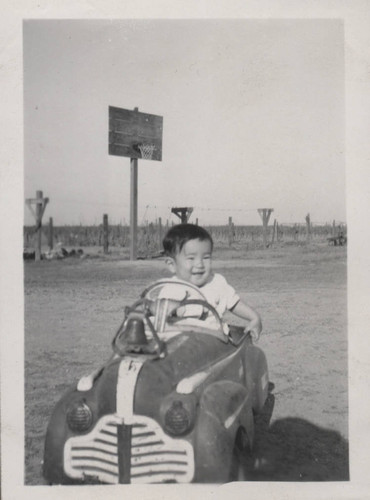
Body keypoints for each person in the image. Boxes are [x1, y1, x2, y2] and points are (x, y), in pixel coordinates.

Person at [160, 223, 262, 339]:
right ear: (172, 265)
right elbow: (158, 317)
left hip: (215, 343)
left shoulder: (216, 282)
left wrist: (254, 318)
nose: (200, 264)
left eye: (206, 258)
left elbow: (234, 303)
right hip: (182, 344)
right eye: (191, 258)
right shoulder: (170, 289)